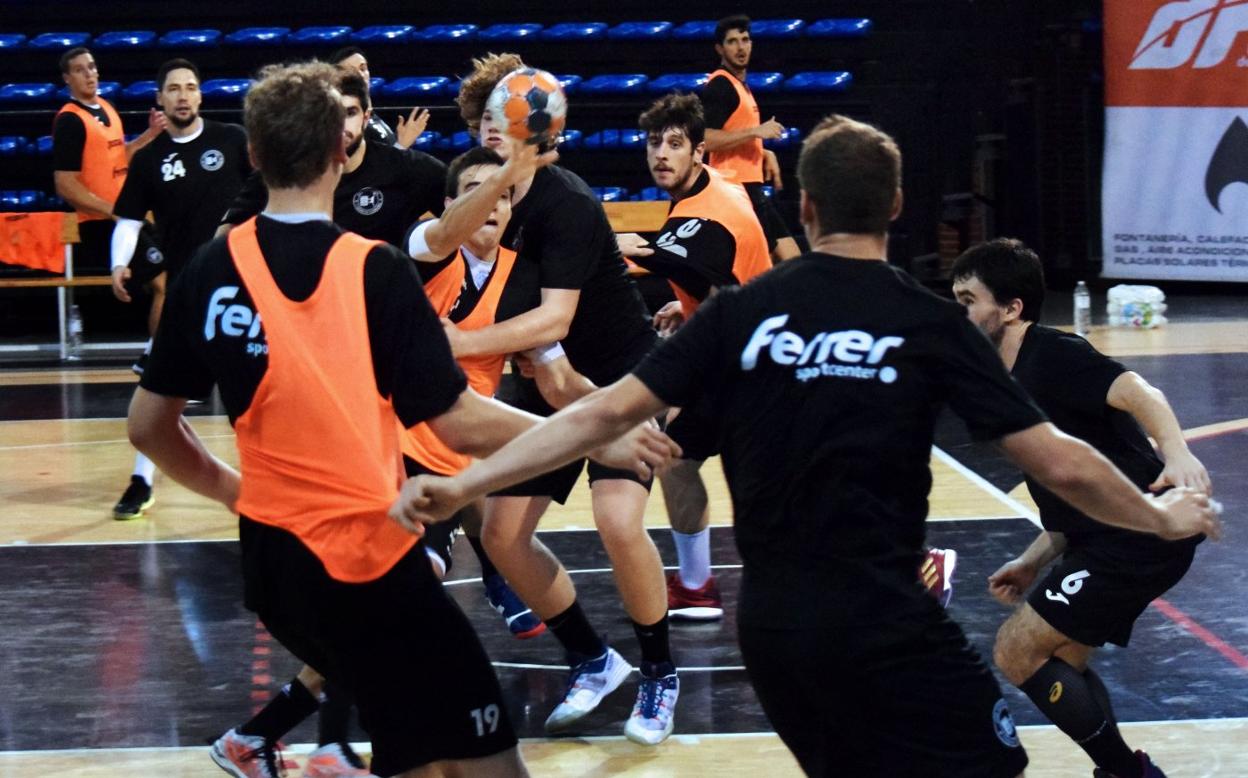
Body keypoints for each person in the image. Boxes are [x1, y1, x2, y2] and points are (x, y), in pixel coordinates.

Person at [390, 115, 1222, 777]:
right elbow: (1060, 459)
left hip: (779, 634)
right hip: (886, 619)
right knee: (993, 756)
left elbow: (600, 416)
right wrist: (1161, 519)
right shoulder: (930, 322)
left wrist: (469, 484)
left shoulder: (739, 315)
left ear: (809, 210)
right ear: (895, 208)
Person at [442, 52, 681, 745]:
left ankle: (660, 674)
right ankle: (592, 658)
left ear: (535, 127)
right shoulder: (480, 193)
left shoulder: (566, 202)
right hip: (549, 379)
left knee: (616, 519)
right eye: (487, 116)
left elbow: (553, 323)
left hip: (618, 377)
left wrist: (454, 345)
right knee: (501, 535)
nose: (493, 127)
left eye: (506, 116)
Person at [952, 239, 1214, 778]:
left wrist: (1178, 450)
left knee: (1015, 651)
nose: (957, 312)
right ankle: (1124, 772)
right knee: (1062, 659)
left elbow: (1140, 391)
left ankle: (1127, 773)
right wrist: (1034, 558)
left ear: (1011, 309)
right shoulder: (1002, 377)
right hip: (1110, 538)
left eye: (967, 299)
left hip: (1140, 538)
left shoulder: (1051, 355)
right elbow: (1076, 494)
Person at [626, 93, 771, 619]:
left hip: (757, 368)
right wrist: (685, 305)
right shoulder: (714, 191)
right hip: (733, 356)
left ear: (700, 152)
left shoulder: (704, 214)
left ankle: (912, 569)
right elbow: (715, 276)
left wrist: (611, 240)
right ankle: (696, 585)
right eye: (653, 143)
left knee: (775, 494)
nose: (661, 154)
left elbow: (682, 255)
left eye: (675, 144)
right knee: (677, 458)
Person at [107, 58, 250, 521]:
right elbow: (128, 221)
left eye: (191, 87)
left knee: (248, 398)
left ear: (201, 96)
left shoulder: (234, 141)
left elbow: (271, 195)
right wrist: (117, 263)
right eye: (174, 89)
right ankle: (140, 481)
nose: (183, 95)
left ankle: (266, 486)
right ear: (160, 99)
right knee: (157, 400)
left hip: (238, 292)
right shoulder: (149, 159)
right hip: (185, 296)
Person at [221, 70, 444, 248]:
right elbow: (226, 233)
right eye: (333, 114)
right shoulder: (287, 169)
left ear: (366, 118)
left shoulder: (407, 168)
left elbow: (460, 216)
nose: (341, 125)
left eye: (350, 113)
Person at [53, 47, 165, 275]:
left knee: (163, 276)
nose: (88, 74)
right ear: (67, 79)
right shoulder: (69, 120)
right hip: (99, 223)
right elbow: (65, 184)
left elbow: (118, 157)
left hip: (124, 216)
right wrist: (112, 210)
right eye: (79, 70)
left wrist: (150, 134)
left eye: (91, 67)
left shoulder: (107, 107)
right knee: (160, 279)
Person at [700, 15, 800, 262]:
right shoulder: (720, 86)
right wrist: (756, 133)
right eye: (732, 42)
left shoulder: (739, 86)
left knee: (791, 261)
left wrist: (764, 151)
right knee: (767, 267)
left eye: (745, 40)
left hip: (751, 190)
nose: (741, 47)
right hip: (735, 190)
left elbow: (734, 133)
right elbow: (705, 139)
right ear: (719, 49)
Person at [330, 46, 429, 150]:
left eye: (363, 68)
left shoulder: (372, 116)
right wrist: (402, 144)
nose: (360, 74)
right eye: (352, 71)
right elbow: (363, 165)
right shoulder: (347, 122)